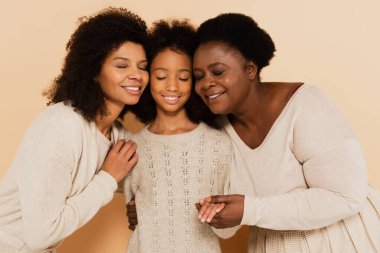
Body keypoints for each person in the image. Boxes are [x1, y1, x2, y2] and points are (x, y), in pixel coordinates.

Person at [127, 13, 380, 252]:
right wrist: (155, 206)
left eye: (218, 72)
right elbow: (226, 217)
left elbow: (345, 196)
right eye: (198, 76)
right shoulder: (216, 129)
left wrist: (250, 209)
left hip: (346, 241)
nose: (206, 83)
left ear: (250, 69)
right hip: (273, 244)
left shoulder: (305, 106)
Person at [0, 7, 149, 253]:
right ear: (93, 71)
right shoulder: (60, 126)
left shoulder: (117, 135)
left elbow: (150, 180)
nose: (137, 75)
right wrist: (107, 178)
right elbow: (40, 235)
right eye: (122, 66)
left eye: (143, 66)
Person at [122, 19, 232, 253]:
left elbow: (229, 227)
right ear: (148, 78)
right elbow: (134, 213)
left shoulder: (218, 144)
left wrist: (219, 215)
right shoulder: (133, 147)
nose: (172, 86)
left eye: (183, 78)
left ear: (194, 80)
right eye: (161, 77)